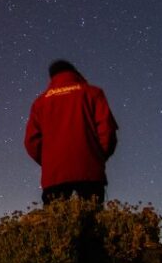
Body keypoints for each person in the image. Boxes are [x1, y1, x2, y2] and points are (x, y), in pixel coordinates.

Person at [24, 59, 118, 205]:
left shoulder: (40, 103)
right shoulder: (93, 93)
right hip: (89, 171)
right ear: (75, 73)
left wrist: (50, 162)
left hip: (54, 176)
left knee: (56, 224)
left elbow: (31, 142)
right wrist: (97, 157)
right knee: (91, 223)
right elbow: (107, 129)